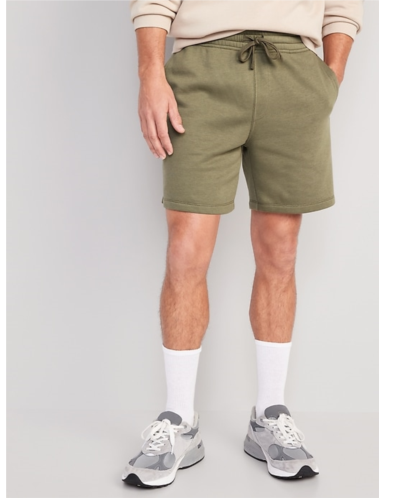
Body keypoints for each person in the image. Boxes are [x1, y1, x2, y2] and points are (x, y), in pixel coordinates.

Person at [123, 0, 364, 489]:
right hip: (201, 71)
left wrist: (330, 78)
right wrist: (150, 74)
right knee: (186, 249)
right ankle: (179, 420)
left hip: (294, 74)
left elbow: (343, 5)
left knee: (280, 250)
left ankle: (269, 414)